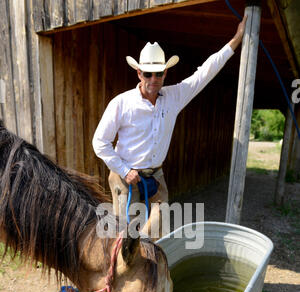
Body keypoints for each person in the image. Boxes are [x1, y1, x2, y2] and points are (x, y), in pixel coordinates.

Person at [92, 15, 247, 222]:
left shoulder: (174, 97)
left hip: (156, 177)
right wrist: (124, 170)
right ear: (139, 73)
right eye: (148, 74)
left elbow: (205, 73)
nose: (153, 80)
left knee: (158, 233)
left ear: (165, 73)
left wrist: (237, 38)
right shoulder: (121, 103)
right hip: (126, 178)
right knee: (127, 239)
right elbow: (99, 142)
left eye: (158, 73)